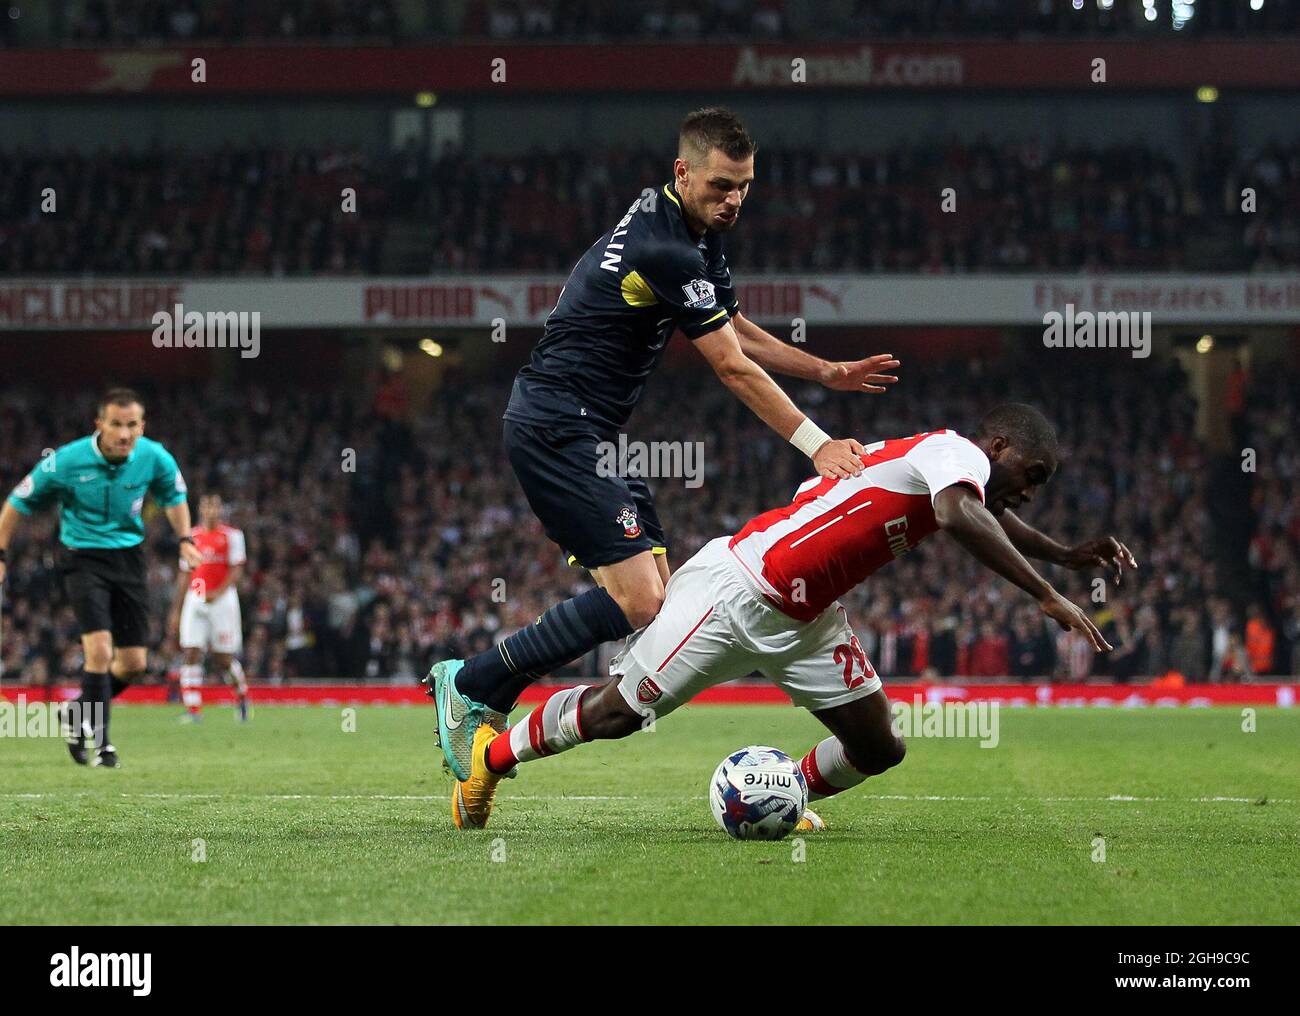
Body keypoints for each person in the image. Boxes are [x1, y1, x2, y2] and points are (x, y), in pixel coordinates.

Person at [427, 106, 901, 780]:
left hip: (588, 431)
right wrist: (817, 443)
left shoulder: (690, 230)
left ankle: (489, 687)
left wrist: (823, 369)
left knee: (658, 591)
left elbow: (732, 326)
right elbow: (732, 365)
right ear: (683, 172)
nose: (734, 199)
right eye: (720, 185)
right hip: (558, 426)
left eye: (744, 186)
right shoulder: (666, 246)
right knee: (642, 601)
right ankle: (474, 681)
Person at [449, 403, 1137, 829]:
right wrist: (1045, 592)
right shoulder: (954, 454)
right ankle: (492, 756)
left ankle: (781, 794)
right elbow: (965, 512)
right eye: (1034, 473)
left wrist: (1067, 556)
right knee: (614, 716)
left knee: (879, 749)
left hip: (808, 621)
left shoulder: (940, 466)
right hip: (738, 590)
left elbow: (991, 514)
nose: (1032, 491)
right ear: (1002, 446)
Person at [0, 388, 200, 767]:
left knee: (133, 664)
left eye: (132, 425)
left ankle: (76, 711)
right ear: (100, 425)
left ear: (141, 426)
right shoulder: (67, 460)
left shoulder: (154, 456)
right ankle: (104, 745)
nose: (124, 434)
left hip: (128, 559)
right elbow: (15, 503)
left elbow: (174, 498)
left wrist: (186, 539)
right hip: (82, 558)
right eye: (116, 425)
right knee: (100, 651)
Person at [166, 493, 250, 722]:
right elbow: (185, 573)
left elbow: (236, 570)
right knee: (191, 651)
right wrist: (176, 609)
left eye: (215, 506)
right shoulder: (191, 536)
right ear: (201, 509)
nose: (211, 511)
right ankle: (193, 711)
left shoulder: (232, 536)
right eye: (207, 506)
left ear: (221, 509)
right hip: (197, 597)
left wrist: (218, 593)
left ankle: (241, 695)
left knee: (223, 658)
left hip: (222, 601)